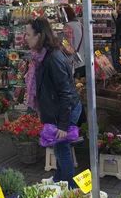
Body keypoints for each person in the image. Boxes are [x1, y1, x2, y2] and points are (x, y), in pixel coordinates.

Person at [24, 17, 82, 186]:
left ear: (39, 35)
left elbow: (65, 94)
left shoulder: (52, 59)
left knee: (61, 149)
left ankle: (70, 187)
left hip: (65, 110)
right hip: (57, 109)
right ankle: (59, 179)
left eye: (28, 34)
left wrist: (63, 125)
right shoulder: (41, 56)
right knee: (58, 148)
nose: (25, 37)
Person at [62, 6, 85, 77]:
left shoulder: (67, 26)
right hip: (83, 61)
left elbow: (68, 49)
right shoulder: (80, 25)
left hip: (74, 64)